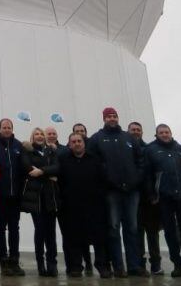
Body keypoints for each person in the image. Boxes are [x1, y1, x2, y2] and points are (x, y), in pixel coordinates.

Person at [88, 108, 147, 277]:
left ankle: (134, 265)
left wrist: (137, 178)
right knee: (113, 228)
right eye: (109, 116)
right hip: (111, 191)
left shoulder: (128, 138)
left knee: (132, 228)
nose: (112, 119)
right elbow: (92, 162)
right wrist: (106, 179)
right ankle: (118, 266)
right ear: (104, 119)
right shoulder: (97, 138)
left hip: (131, 191)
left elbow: (140, 160)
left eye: (114, 116)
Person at [146, 124, 181, 278]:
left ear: (171, 133)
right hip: (164, 197)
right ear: (156, 134)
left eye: (166, 132)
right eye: (161, 132)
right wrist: (151, 193)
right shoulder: (151, 150)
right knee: (170, 232)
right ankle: (177, 265)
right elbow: (148, 174)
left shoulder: (180, 148)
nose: (164, 134)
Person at [58, 133, 110, 278]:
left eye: (79, 141)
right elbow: (60, 183)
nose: (77, 144)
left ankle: (102, 266)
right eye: (73, 142)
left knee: (99, 238)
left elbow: (103, 180)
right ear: (69, 144)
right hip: (72, 206)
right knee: (75, 238)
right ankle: (76, 266)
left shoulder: (94, 159)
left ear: (84, 143)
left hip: (94, 206)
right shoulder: (64, 160)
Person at [20, 127, 59, 277]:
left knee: (51, 233)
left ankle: (52, 264)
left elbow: (57, 167)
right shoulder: (27, 151)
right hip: (36, 199)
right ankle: (41, 264)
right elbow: (27, 168)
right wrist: (49, 173)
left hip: (50, 197)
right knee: (40, 231)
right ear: (32, 137)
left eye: (41, 134)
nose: (39, 136)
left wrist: (41, 171)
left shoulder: (51, 151)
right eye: (36, 134)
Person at [0, 118, 25, 276]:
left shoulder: (18, 145)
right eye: (4, 127)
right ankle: (3, 261)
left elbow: (24, 167)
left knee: (14, 228)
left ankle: (14, 260)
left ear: (12, 128)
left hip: (15, 195)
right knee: (0, 228)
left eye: (9, 127)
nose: (6, 130)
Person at [128, 121, 162, 275]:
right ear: (128, 132)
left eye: (138, 130)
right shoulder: (124, 149)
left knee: (152, 232)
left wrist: (155, 193)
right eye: (133, 130)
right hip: (133, 196)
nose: (136, 132)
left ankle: (156, 263)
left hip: (149, 198)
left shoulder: (149, 149)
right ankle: (139, 263)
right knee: (136, 232)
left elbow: (155, 172)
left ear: (142, 132)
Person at [70, 123, 92, 273]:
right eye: (76, 134)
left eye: (82, 133)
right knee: (74, 236)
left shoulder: (93, 155)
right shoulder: (66, 156)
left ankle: (95, 264)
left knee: (93, 234)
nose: (79, 136)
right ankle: (76, 265)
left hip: (91, 202)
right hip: (72, 203)